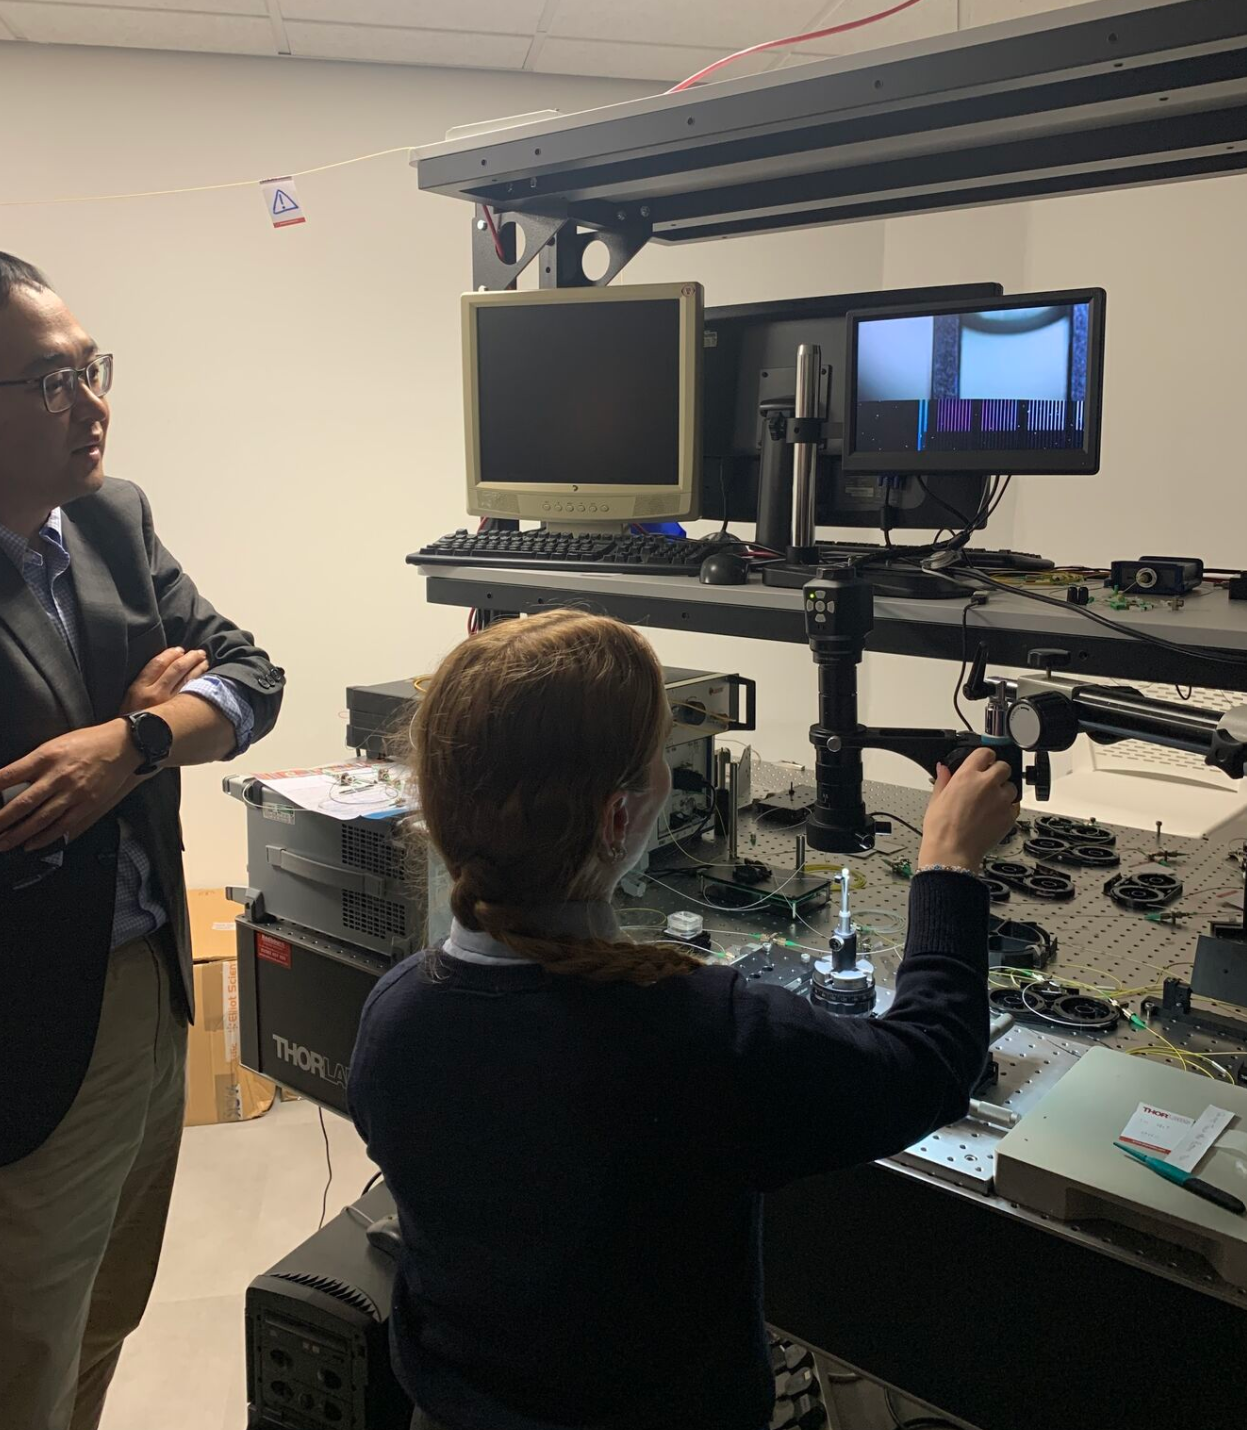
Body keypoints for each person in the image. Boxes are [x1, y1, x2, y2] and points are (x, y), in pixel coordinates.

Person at [349, 610, 1017, 1430]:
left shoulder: (397, 1007)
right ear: (618, 819)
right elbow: (930, 1064)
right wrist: (948, 863)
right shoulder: (698, 1035)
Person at [0, 252, 286, 1430]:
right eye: (51, 380)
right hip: (23, 1015)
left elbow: (252, 673)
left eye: (90, 367)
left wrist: (132, 736)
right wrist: (139, 722)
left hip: (149, 981)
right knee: (27, 1332)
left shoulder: (110, 519)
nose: (94, 404)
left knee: (113, 1304)